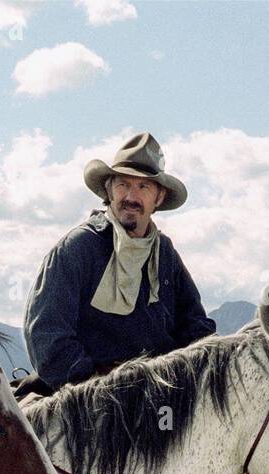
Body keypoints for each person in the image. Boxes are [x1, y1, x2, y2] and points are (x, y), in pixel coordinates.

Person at [23, 132, 214, 389]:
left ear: (158, 198)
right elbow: (48, 336)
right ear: (109, 190)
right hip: (93, 396)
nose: (131, 196)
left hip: (164, 392)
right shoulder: (79, 248)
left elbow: (195, 326)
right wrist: (101, 385)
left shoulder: (165, 253)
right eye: (123, 184)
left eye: (143, 187)